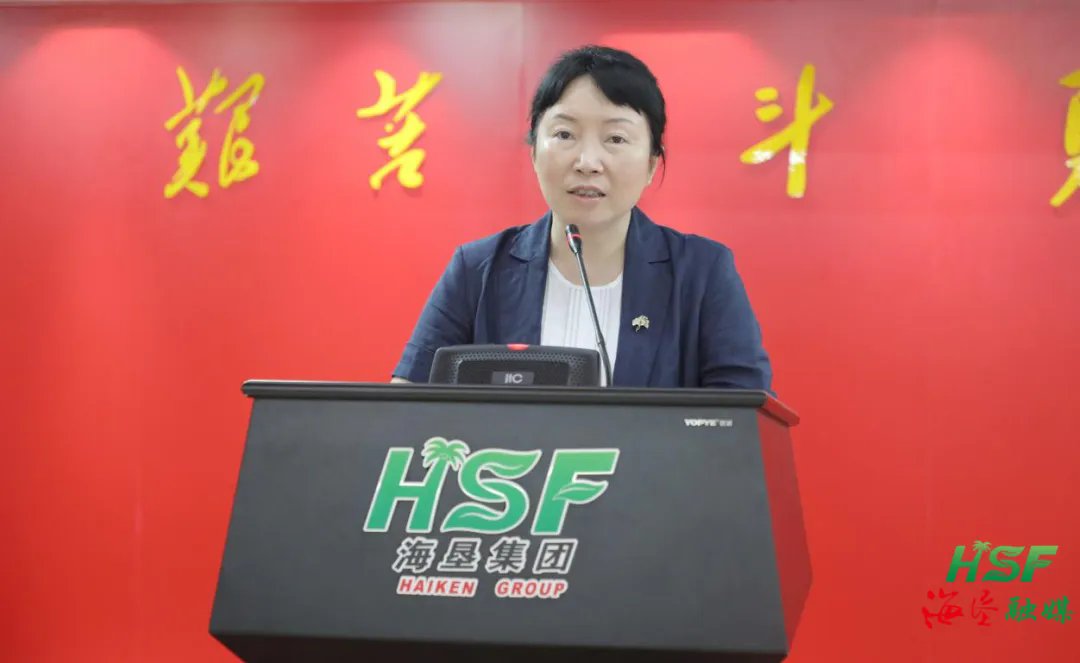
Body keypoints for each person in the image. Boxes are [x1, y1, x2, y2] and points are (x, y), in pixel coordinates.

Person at [392, 45, 772, 390]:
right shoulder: (477, 270)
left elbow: (743, 421)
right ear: (534, 153)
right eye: (564, 134)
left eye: (615, 139)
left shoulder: (702, 273)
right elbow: (406, 407)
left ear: (651, 164)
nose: (587, 162)